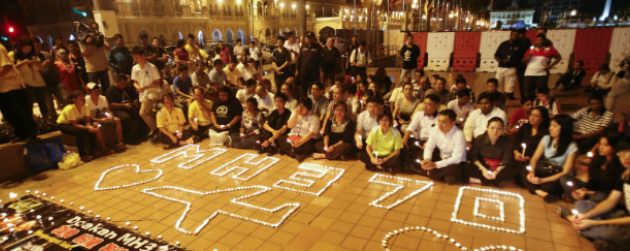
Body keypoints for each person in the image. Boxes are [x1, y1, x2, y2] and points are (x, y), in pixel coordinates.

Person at [556, 138, 630, 251]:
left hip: (625, 218)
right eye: (623, 153)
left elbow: (608, 195)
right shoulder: (625, 174)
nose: (626, 157)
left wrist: (593, 223)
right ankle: (591, 229)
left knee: (611, 234)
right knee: (582, 205)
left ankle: (573, 219)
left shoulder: (618, 169)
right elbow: (611, 201)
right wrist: (586, 216)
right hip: (620, 214)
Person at [526, 114, 578, 203]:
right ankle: (540, 192)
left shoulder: (572, 146)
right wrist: (531, 173)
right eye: (550, 125)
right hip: (545, 169)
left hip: (558, 175)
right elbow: (534, 158)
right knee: (524, 170)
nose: (550, 128)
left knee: (550, 187)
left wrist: (542, 180)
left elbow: (565, 172)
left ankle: (535, 187)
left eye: (555, 126)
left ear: (564, 128)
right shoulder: (546, 139)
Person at [561, 132, 625, 203]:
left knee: (598, 197)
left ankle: (580, 201)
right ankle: (581, 200)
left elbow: (612, 191)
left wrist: (588, 192)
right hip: (591, 189)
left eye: (606, 145)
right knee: (564, 178)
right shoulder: (598, 159)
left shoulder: (620, 164)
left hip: (606, 193)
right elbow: (592, 181)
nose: (601, 147)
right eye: (600, 144)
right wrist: (584, 190)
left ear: (615, 146)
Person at [10, 36, 56, 121]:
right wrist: (24, 62)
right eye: (26, 48)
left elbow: (40, 68)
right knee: (29, 103)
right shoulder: (13, 55)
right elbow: (11, 68)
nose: (28, 50)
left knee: (43, 103)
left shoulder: (32, 56)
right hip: (26, 82)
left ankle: (46, 121)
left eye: (29, 48)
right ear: (20, 47)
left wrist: (43, 64)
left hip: (39, 82)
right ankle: (31, 121)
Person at [0, 42, 37, 141]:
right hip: (1, 88)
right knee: (8, 114)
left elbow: (7, 67)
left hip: (12, 85)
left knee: (21, 111)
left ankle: (31, 134)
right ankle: (21, 134)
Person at [57, 91, 107, 161]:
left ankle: (93, 151)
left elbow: (87, 120)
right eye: (81, 99)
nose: (84, 100)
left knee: (92, 129)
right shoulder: (70, 108)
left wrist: (89, 126)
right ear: (74, 100)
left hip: (77, 121)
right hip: (65, 124)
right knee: (79, 132)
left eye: (84, 98)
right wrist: (87, 127)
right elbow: (74, 125)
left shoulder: (85, 106)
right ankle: (82, 155)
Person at [466, 117, 516, 186]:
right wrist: (483, 170)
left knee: (512, 171)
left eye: (499, 128)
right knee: (467, 167)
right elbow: (474, 157)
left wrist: (496, 171)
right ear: (487, 128)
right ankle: (491, 182)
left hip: (498, 166)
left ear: (502, 130)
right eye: (492, 128)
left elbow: (506, 160)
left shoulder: (506, 141)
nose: (495, 131)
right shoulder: (479, 139)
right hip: (483, 166)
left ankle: (476, 180)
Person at [420, 109, 467, 184]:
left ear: (453, 123)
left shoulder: (459, 135)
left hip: (455, 162)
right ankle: (437, 174)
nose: (440, 124)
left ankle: (432, 173)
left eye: (444, 122)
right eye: (439, 121)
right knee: (422, 157)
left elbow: (457, 158)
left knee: (452, 171)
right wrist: (427, 160)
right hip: (441, 157)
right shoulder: (436, 129)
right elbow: (429, 147)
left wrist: (435, 165)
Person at [403, 94, 440, 172]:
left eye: (429, 104)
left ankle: (419, 168)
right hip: (419, 141)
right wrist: (405, 139)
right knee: (403, 147)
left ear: (436, 105)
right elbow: (411, 127)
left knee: (421, 159)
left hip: (433, 144)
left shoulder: (440, 117)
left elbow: (439, 134)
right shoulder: (419, 114)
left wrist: (429, 142)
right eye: (424, 103)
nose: (425, 106)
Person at [130, 46, 162, 138]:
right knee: (149, 113)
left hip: (153, 92)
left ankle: (155, 129)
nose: (135, 59)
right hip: (143, 93)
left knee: (143, 112)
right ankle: (159, 130)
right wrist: (138, 87)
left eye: (137, 57)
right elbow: (135, 82)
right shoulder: (135, 68)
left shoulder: (152, 67)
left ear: (143, 56)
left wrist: (146, 86)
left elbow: (158, 83)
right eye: (134, 57)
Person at [512, 107, 551, 180]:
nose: (532, 118)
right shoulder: (524, 127)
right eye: (531, 115)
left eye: (536, 116)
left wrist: (529, 158)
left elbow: (544, 152)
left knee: (526, 170)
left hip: (536, 161)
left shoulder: (546, 133)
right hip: (519, 157)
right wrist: (516, 153)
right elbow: (515, 143)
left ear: (543, 118)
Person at [106, 73, 145, 144]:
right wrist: (124, 105)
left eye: (125, 84)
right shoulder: (110, 91)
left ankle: (142, 134)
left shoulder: (127, 87)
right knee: (126, 118)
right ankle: (129, 138)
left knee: (141, 113)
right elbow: (111, 105)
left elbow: (135, 96)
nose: (124, 86)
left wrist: (135, 101)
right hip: (118, 109)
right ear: (116, 82)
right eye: (122, 84)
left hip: (130, 106)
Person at [278, 97, 321, 162]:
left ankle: (291, 152)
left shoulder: (314, 118)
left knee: (308, 147)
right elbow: (290, 126)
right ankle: (295, 154)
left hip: (305, 139)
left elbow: (311, 134)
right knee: (281, 139)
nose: (300, 109)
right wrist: (296, 114)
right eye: (299, 106)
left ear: (308, 108)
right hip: (294, 137)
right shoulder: (295, 112)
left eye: (302, 107)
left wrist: (300, 142)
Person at [85, 83, 125, 152]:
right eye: (94, 91)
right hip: (94, 119)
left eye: (98, 91)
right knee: (97, 125)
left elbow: (108, 110)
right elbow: (88, 117)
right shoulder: (86, 100)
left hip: (102, 117)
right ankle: (103, 147)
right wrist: (100, 120)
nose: (97, 93)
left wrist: (110, 116)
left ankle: (120, 142)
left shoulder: (103, 98)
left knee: (117, 120)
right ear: (89, 92)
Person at [494, 30, 523, 100]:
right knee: (498, 82)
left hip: (512, 67)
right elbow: (496, 55)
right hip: (501, 67)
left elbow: (521, 57)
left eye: (517, 35)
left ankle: (510, 96)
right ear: (511, 35)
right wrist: (501, 60)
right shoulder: (503, 44)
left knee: (510, 83)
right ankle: (498, 96)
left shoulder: (520, 46)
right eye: (514, 35)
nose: (515, 36)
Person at [296, 32, 323, 96]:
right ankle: (304, 101)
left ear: (314, 38)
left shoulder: (318, 47)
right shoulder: (303, 46)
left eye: (311, 38)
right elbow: (299, 59)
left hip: (314, 72)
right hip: (303, 71)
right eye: (307, 38)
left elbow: (321, 61)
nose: (309, 39)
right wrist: (297, 69)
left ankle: (313, 101)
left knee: (314, 87)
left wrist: (322, 71)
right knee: (303, 88)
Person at [605, 45, 630, 112]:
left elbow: (616, 62)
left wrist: (620, 69)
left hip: (627, 79)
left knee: (611, 95)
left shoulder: (627, 50)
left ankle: (607, 115)